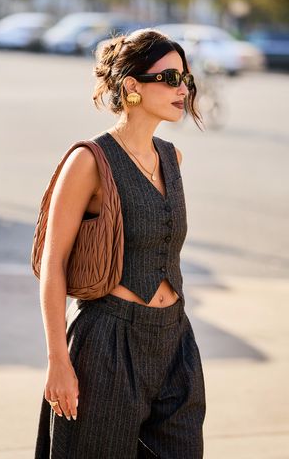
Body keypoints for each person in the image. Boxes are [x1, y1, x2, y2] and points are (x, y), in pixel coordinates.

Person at [34, 28, 206, 459]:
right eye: (169, 79)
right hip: (108, 342)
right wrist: (58, 360)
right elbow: (53, 264)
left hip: (174, 341)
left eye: (184, 79)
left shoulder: (172, 158)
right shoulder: (88, 161)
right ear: (132, 86)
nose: (181, 89)